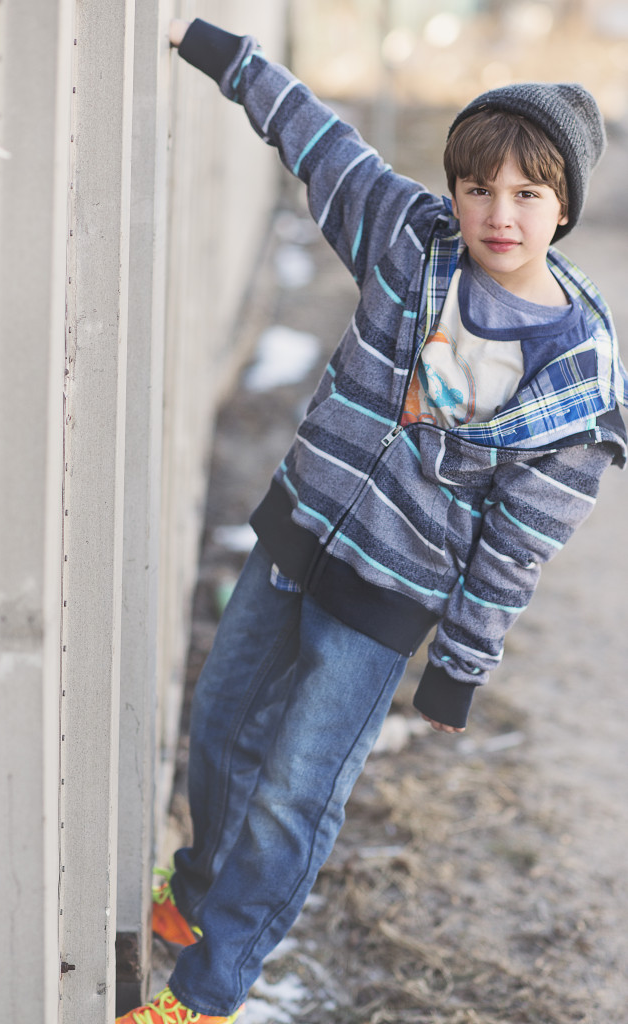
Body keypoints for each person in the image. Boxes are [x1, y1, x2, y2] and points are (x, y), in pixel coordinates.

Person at [118, 17, 628, 1024]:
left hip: (386, 602)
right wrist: (220, 51)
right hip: (296, 531)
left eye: (528, 193)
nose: (497, 213)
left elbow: (518, 543)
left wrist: (457, 665)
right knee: (218, 728)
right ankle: (200, 891)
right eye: (477, 186)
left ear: (562, 207)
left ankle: (207, 992)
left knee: (294, 791)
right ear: (451, 189)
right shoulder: (408, 242)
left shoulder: (573, 378)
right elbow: (319, 139)